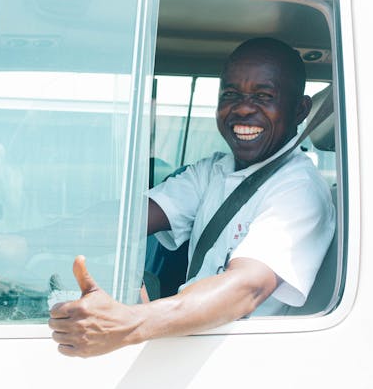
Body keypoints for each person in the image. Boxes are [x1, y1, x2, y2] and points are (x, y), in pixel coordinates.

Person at [48, 37, 335, 357]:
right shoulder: (216, 169)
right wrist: (23, 241)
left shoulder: (299, 189)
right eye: (230, 94)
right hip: (189, 345)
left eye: (263, 96)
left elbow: (247, 287)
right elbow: (125, 220)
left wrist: (131, 322)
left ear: (299, 110)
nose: (242, 107)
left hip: (239, 363)